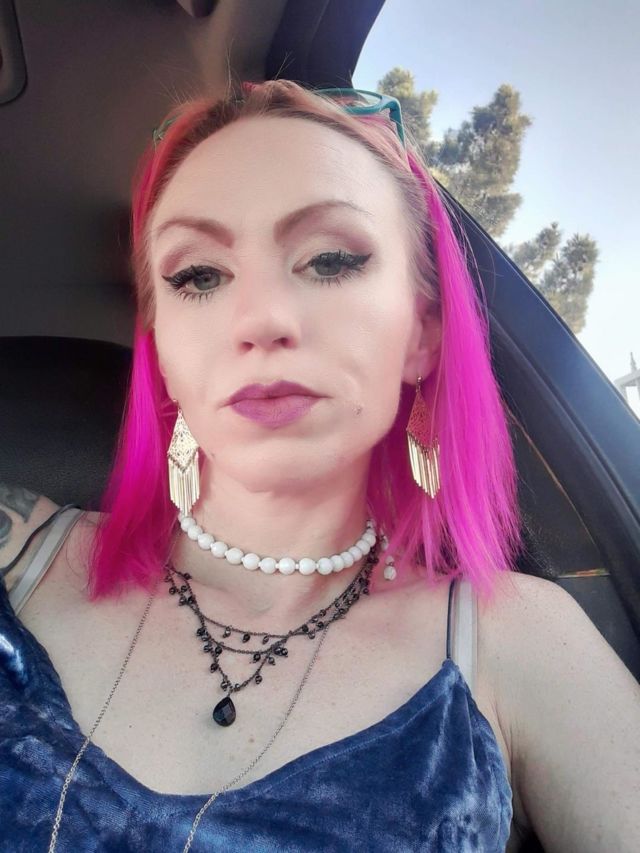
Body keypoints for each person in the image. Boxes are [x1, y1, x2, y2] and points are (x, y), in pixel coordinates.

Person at [0, 80, 638, 852]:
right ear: (162, 348)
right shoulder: (18, 559)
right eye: (198, 275)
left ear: (422, 333)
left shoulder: (516, 640)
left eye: (331, 260)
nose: (261, 319)